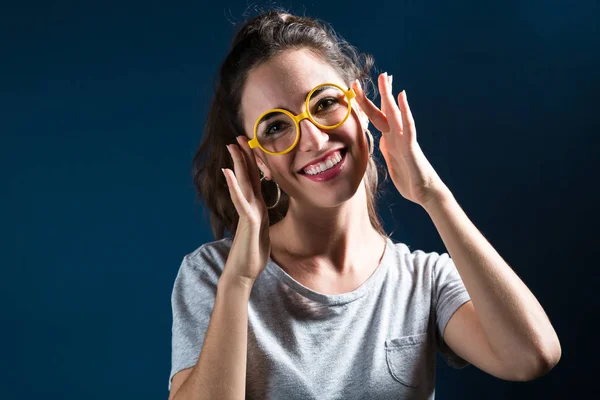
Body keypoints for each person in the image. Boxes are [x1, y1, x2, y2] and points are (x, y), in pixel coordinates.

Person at [168, 10, 561, 400]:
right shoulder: (214, 274)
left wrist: (433, 194)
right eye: (276, 127)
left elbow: (531, 356)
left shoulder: (423, 280)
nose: (314, 139)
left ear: (359, 105)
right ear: (258, 162)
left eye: (323, 104)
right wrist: (238, 283)